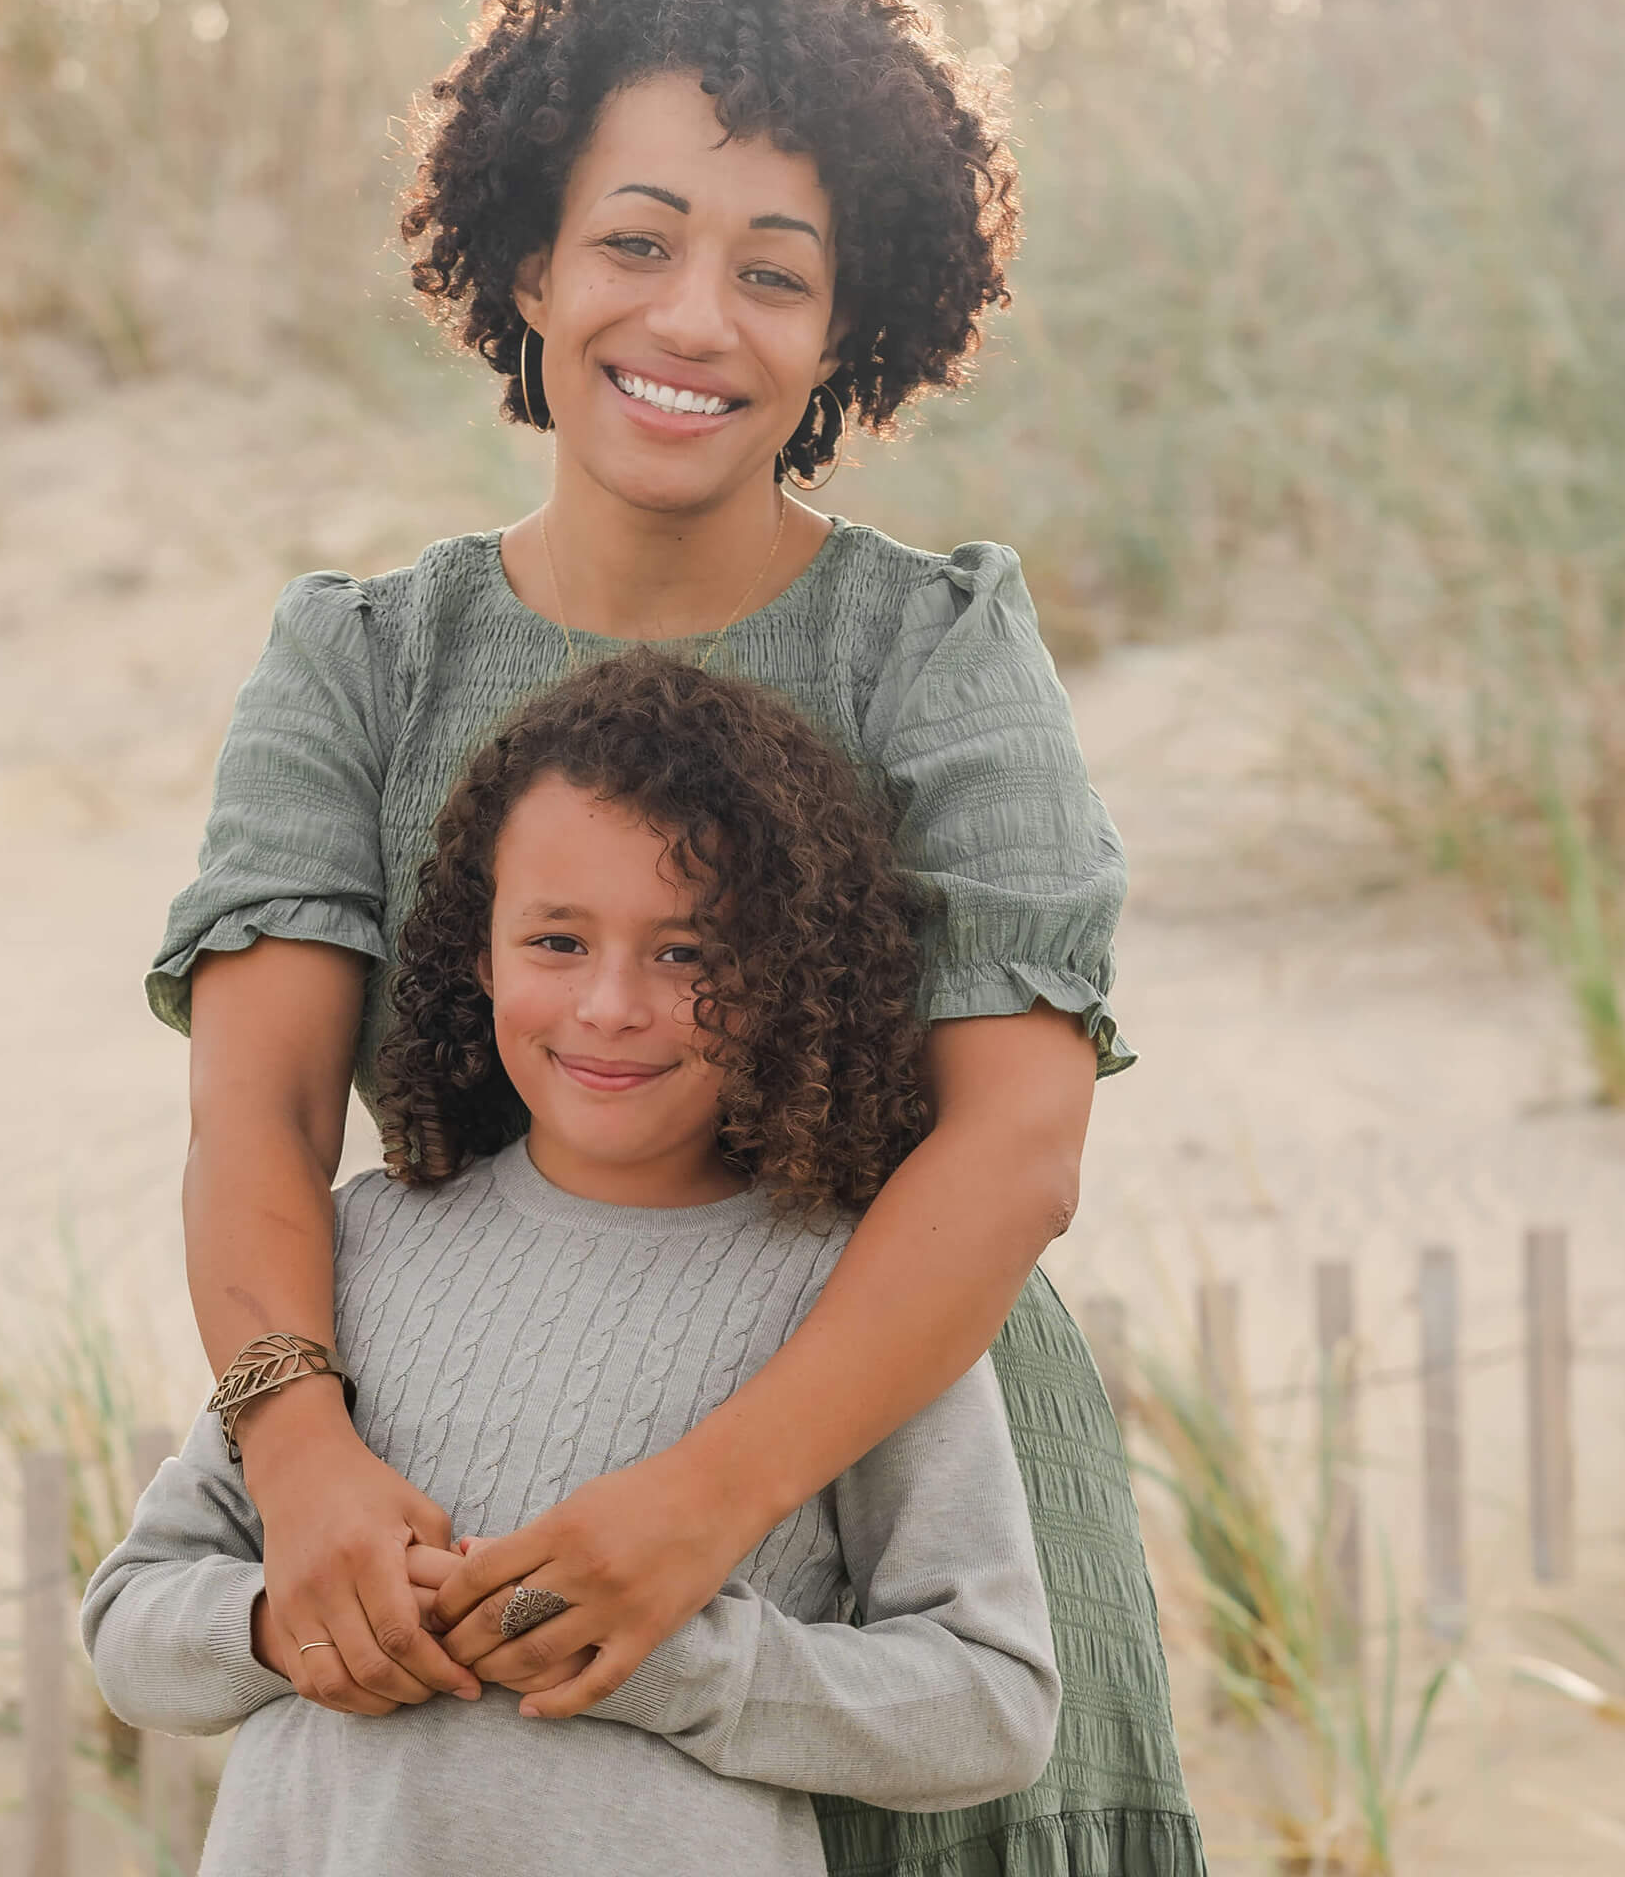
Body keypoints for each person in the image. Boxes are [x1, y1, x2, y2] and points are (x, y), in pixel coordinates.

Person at [150, 0, 1202, 1874]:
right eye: (636, 242)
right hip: (471, 1538)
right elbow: (261, 1108)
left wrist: (709, 1504)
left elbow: (1018, 1142)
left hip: (904, 1548)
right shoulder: (362, 663)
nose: (695, 319)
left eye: (772, 272)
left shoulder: (932, 647)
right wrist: (296, 1453)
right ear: (528, 264)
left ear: (845, 323)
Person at [87, 653, 1063, 1875]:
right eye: (555, 938)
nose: (609, 1004)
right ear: (479, 955)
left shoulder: (852, 1301)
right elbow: (130, 1617)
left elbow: (990, 1703)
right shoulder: (357, 1250)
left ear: (787, 976)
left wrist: (683, 1662)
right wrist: (294, 1627)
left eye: (686, 951)